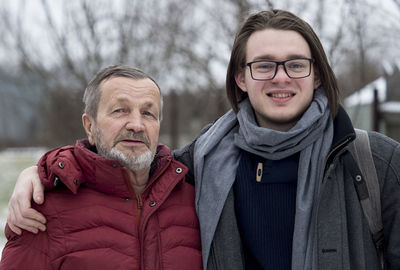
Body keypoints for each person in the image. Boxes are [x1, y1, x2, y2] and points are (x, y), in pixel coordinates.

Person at [5, 9, 400, 270]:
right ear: (240, 79)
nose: (281, 77)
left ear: (317, 75)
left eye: (296, 64)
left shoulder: (375, 162)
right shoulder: (205, 159)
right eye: (264, 65)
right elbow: (129, 166)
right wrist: (42, 172)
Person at [0, 65, 202, 270]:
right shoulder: (43, 212)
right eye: (120, 110)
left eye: (148, 113)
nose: (137, 125)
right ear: (90, 127)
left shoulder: (197, 202)